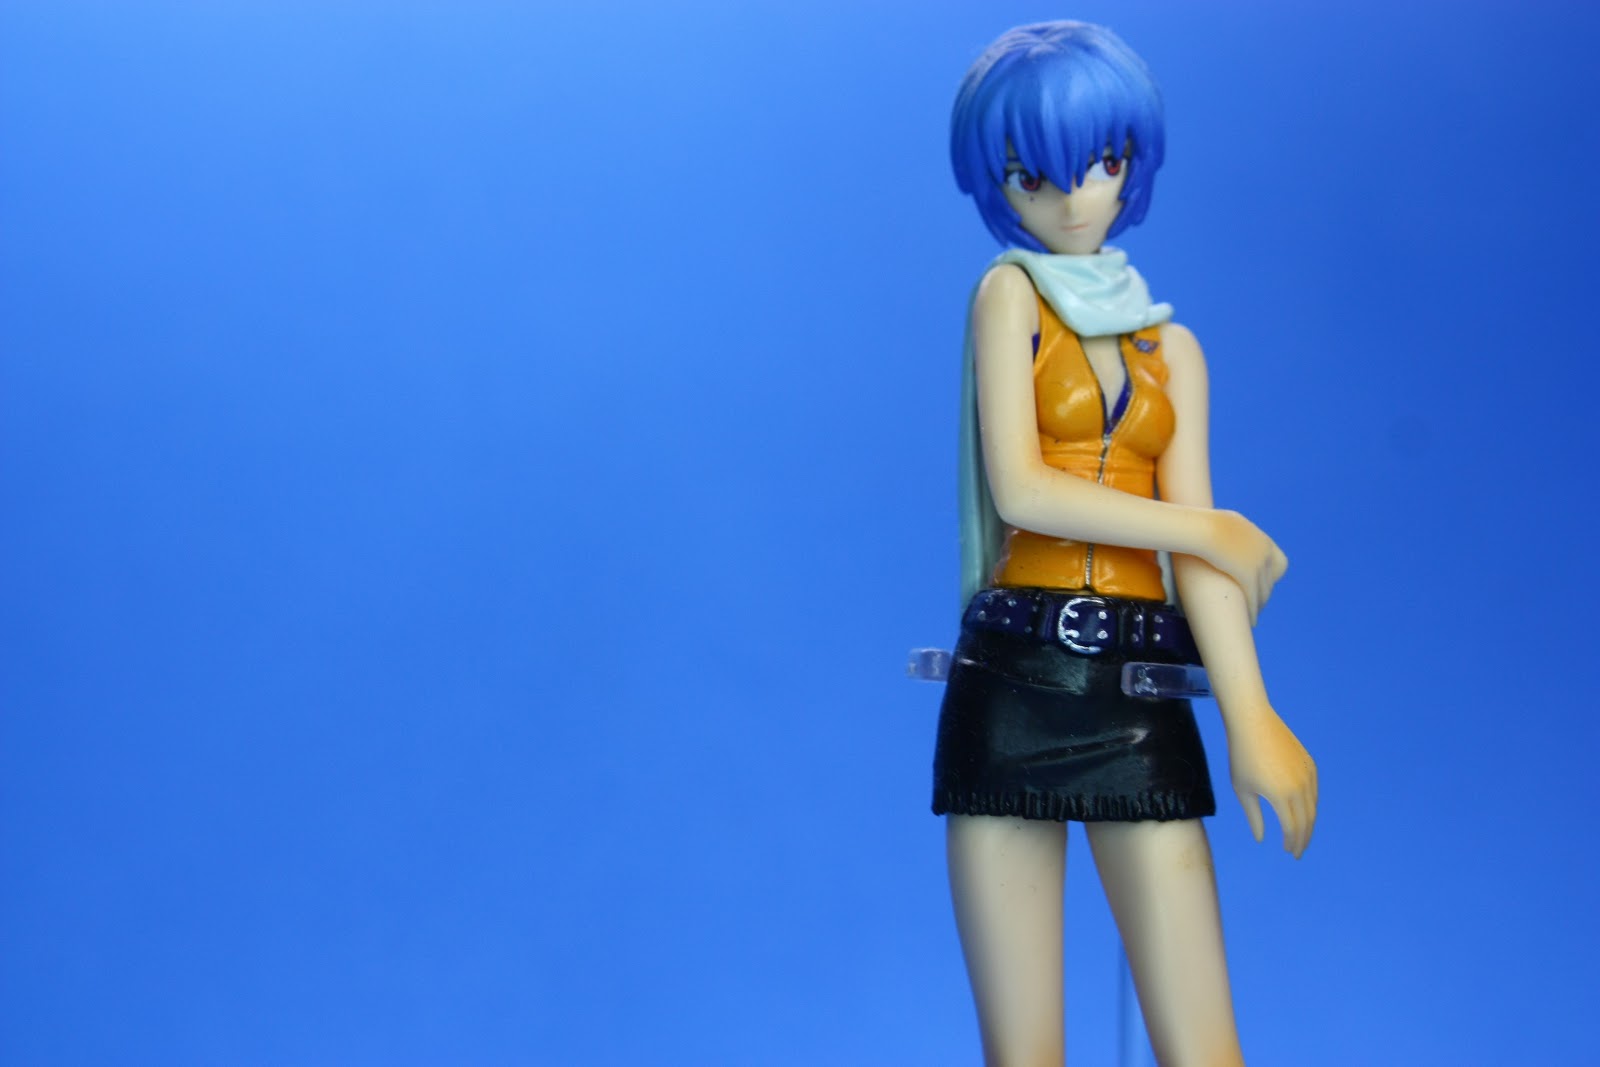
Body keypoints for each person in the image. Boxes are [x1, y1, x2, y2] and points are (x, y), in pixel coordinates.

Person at [933, 21, 1318, 1067]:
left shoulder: (1171, 348)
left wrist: (1249, 714)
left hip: (1141, 696)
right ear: (999, 185)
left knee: (1205, 1049)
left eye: (1098, 163)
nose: (1071, 199)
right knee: (1025, 1053)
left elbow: (1201, 570)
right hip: (1016, 679)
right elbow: (1022, 489)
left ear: (1132, 163)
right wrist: (1207, 525)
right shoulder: (1009, 297)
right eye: (1031, 175)